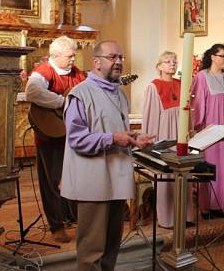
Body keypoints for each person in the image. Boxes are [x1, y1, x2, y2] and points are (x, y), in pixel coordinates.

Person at [60, 40, 154, 271]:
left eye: (121, 58)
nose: (119, 62)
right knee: (92, 250)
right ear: (96, 62)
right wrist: (113, 138)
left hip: (116, 180)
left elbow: (114, 130)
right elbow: (77, 139)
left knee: (111, 247)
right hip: (93, 182)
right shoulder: (80, 94)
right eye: (113, 57)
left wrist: (133, 139)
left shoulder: (120, 94)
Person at [25, 35, 85, 243]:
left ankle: (75, 218)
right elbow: (32, 92)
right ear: (56, 56)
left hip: (73, 136)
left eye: (74, 55)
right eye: (70, 56)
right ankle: (56, 226)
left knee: (76, 179)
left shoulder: (78, 74)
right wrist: (62, 102)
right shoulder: (44, 71)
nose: (73, 60)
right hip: (51, 134)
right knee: (51, 181)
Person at [141, 51, 194, 229]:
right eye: (167, 61)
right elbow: (150, 116)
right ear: (159, 66)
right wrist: (151, 143)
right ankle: (167, 218)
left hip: (180, 134)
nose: (172, 64)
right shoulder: (153, 86)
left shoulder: (182, 84)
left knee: (182, 173)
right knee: (166, 174)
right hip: (163, 134)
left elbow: (188, 110)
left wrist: (190, 131)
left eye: (174, 61)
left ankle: (184, 216)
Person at [190, 44, 224, 220]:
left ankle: (219, 205)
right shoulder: (202, 77)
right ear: (212, 57)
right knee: (211, 167)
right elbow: (198, 103)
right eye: (223, 56)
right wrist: (199, 127)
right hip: (211, 130)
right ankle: (207, 207)